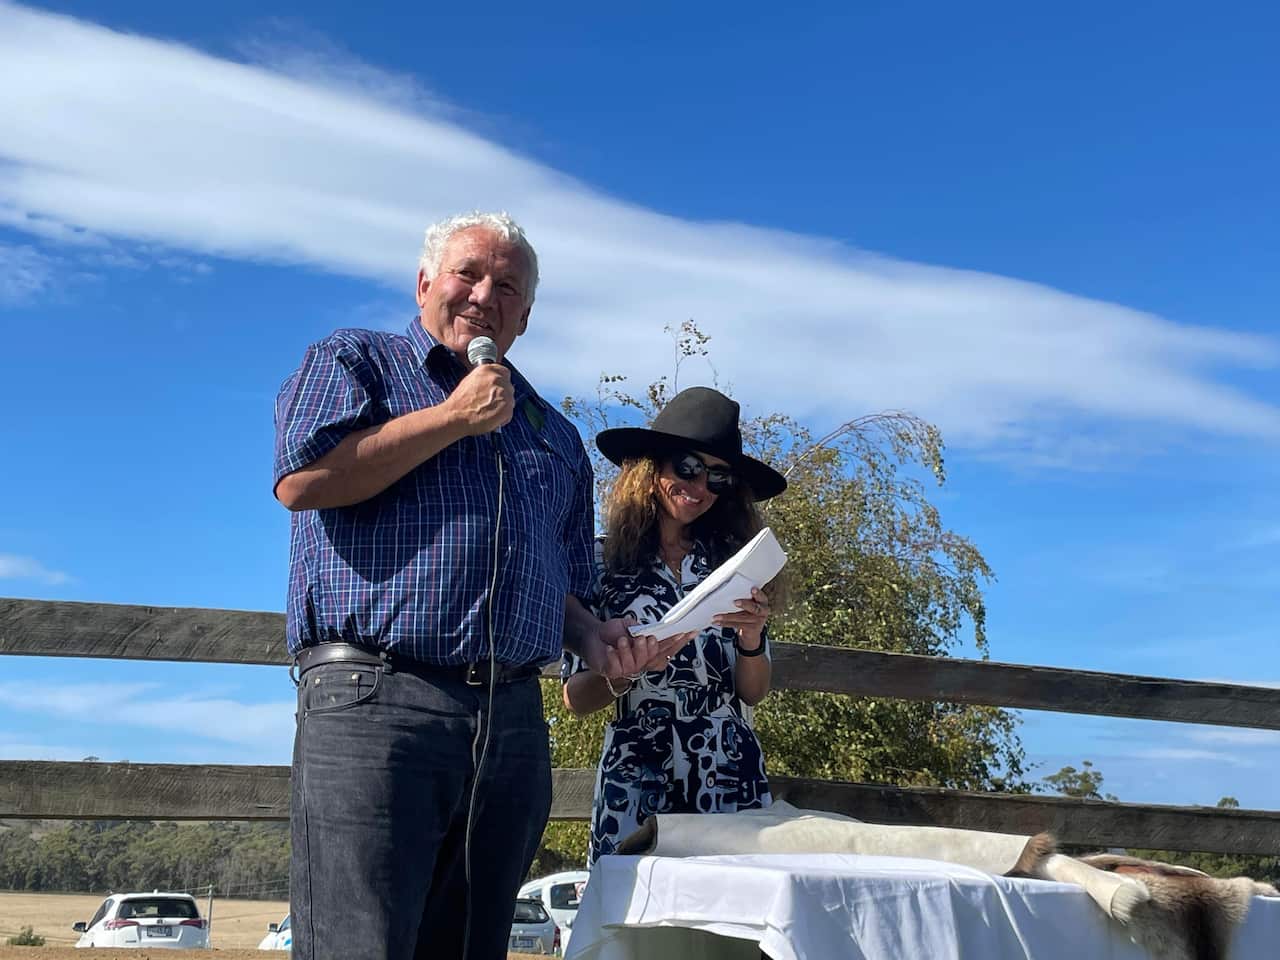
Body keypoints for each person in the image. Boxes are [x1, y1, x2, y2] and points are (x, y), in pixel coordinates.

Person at [272, 212, 669, 960]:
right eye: (468, 275)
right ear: (425, 284)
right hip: (375, 703)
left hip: (513, 720)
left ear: (525, 314)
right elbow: (305, 481)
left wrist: (593, 635)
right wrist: (452, 419)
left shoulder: (552, 432)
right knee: (360, 945)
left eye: (508, 286)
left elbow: (558, 582)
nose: (485, 295)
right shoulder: (356, 359)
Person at [562, 386, 788, 864]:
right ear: (652, 469)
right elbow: (574, 698)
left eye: (719, 477)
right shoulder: (600, 563)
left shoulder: (734, 565)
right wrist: (624, 672)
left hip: (728, 770)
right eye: (687, 467)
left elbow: (752, 693)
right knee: (632, 923)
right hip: (635, 773)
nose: (700, 486)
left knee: (729, 923)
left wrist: (751, 637)